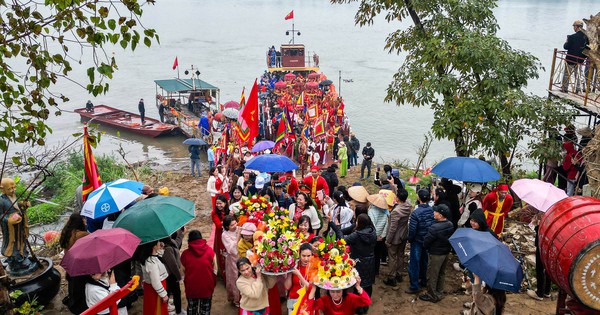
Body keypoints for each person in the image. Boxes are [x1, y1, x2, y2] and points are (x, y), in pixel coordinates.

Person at [330, 213, 376, 314]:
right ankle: (366, 305)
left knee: (357, 284)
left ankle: (359, 308)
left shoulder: (357, 234)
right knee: (368, 284)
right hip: (370, 261)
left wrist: (337, 227)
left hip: (358, 261)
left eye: (357, 221)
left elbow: (343, 240)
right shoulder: (373, 231)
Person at [419, 205, 454, 303]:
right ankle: (439, 292)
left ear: (441, 215)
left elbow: (426, 242)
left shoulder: (434, 228)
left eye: (436, 212)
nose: (434, 213)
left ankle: (431, 295)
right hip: (445, 253)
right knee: (441, 273)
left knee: (432, 274)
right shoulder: (450, 224)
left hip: (435, 254)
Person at [0, 177, 35, 275]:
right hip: (10, 230)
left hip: (19, 227)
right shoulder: (1, 200)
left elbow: (17, 206)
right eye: (9, 189)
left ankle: (23, 258)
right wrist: (9, 220)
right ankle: (15, 263)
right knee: (13, 245)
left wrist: (23, 205)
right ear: (2, 189)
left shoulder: (13, 196)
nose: (12, 190)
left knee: (22, 242)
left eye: (14, 187)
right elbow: (1, 216)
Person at [180, 230, 217, 315]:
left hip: (191, 288)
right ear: (201, 238)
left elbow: (182, 273)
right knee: (205, 309)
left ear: (189, 240)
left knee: (192, 308)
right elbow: (215, 270)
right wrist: (213, 283)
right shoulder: (210, 251)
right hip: (207, 286)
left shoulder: (185, 254)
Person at [59, 213, 90, 314]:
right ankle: (80, 307)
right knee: (80, 287)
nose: (85, 221)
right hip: (80, 265)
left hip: (69, 263)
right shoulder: (81, 234)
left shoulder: (66, 231)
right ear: (79, 222)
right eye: (83, 220)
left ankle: (73, 302)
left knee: (73, 285)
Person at [405, 189, 434, 294]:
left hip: (417, 240)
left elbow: (412, 229)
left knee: (414, 263)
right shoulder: (432, 210)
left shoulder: (416, 213)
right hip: (427, 240)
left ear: (419, 198)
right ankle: (424, 280)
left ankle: (414, 285)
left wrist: (410, 239)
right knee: (425, 261)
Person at [383, 188, 411, 286]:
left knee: (392, 257)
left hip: (395, 237)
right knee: (400, 255)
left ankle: (392, 277)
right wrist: (394, 186)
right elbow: (402, 196)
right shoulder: (408, 205)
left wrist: (388, 240)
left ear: (397, 198)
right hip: (403, 235)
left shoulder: (396, 211)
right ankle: (399, 274)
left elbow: (392, 228)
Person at [306, 274, 371, 315]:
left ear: (343, 290)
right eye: (332, 292)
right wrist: (313, 288)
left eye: (338, 292)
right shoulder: (325, 300)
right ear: (329, 291)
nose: (335, 295)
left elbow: (367, 301)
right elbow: (310, 306)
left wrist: (358, 287)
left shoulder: (350, 298)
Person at [138, 240, 169, 314]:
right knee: (157, 310)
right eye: (158, 242)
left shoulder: (149, 258)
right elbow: (155, 282)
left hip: (151, 289)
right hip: (155, 291)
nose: (159, 243)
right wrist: (163, 295)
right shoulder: (151, 263)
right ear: (153, 246)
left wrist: (160, 248)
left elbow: (158, 256)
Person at [561, 20, 589, 93]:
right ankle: (578, 89)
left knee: (567, 74)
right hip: (580, 59)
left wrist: (567, 41)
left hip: (570, 58)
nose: (574, 28)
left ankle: (564, 88)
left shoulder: (572, 37)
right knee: (578, 74)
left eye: (574, 26)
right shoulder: (586, 37)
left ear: (577, 27)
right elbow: (588, 47)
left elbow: (566, 47)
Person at [284, 243, 313, 313]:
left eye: (308, 256)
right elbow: (287, 287)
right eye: (303, 256)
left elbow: (309, 288)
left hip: (307, 302)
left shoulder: (313, 267)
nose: (306, 259)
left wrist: (299, 275)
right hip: (293, 301)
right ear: (299, 255)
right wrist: (290, 272)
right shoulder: (294, 265)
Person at [161, 230, 184, 315]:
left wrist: (180, 234)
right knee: (175, 292)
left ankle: (175, 310)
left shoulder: (171, 242)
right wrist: (179, 277)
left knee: (173, 292)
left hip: (172, 273)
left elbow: (177, 244)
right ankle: (178, 311)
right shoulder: (167, 249)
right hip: (171, 274)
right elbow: (173, 265)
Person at [366, 193, 389, 275]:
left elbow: (372, 224)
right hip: (381, 237)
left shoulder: (371, 211)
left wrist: (374, 235)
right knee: (378, 254)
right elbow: (386, 225)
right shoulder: (385, 212)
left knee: (371, 254)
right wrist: (382, 236)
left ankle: (371, 271)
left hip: (373, 236)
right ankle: (376, 271)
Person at [222, 215, 241, 307]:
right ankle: (237, 299)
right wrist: (238, 236)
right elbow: (231, 250)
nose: (235, 226)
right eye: (232, 225)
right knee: (235, 278)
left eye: (235, 223)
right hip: (233, 259)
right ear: (226, 227)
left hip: (242, 256)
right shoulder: (225, 235)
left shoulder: (239, 228)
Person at [211, 194, 228, 279]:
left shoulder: (229, 210)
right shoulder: (214, 213)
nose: (218, 205)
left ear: (225, 203)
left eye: (220, 203)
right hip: (220, 236)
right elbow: (218, 225)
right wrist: (229, 220)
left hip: (230, 235)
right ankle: (223, 274)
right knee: (222, 255)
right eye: (217, 203)